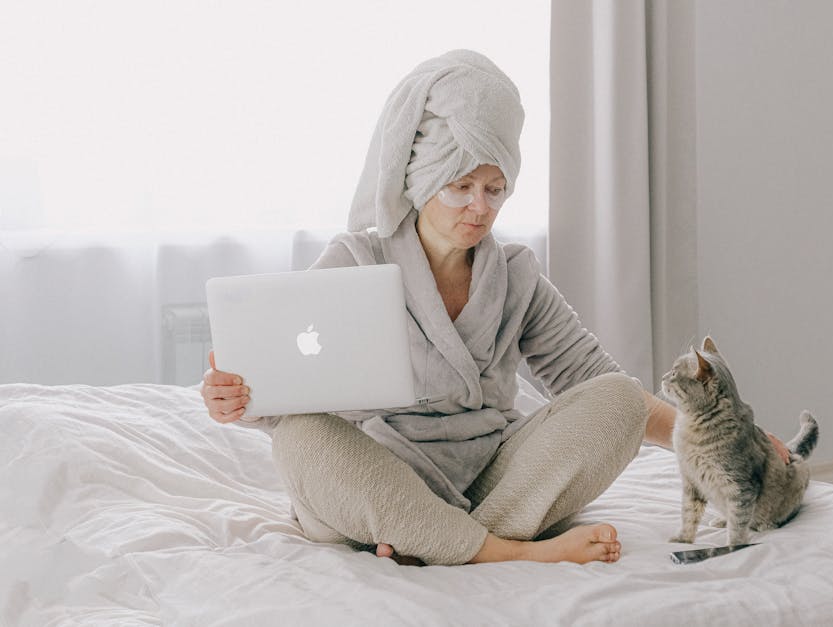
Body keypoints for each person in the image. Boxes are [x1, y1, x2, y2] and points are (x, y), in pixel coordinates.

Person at [201, 50, 789, 567]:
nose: (479, 209)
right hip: (386, 478)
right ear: (420, 179)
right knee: (301, 439)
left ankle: (437, 541)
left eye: (495, 188)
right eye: (460, 187)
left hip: (492, 483)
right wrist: (238, 398)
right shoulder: (356, 259)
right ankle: (502, 550)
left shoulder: (515, 275)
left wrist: (734, 439)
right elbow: (284, 396)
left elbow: (592, 378)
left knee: (616, 400)